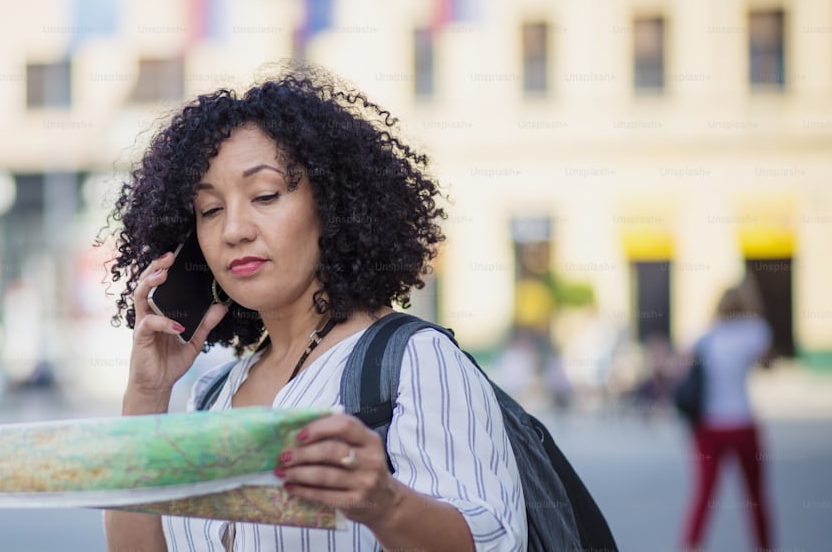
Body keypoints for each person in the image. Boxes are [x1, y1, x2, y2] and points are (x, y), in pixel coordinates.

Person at [102, 68, 525, 551]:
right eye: (210, 210)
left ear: (331, 202)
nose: (234, 229)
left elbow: (493, 542)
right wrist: (146, 396)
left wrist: (385, 503)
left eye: (265, 195)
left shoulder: (413, 362)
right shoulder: (210, 396)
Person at [680, 281, 775, 551]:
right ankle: (764, 546)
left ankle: (691, 546)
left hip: (708, 427)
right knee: (755, 495)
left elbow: (687, 368)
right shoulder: (755, 331)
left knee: (703, 494)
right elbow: (768, 364)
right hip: (743, 424)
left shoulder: (706, 336)